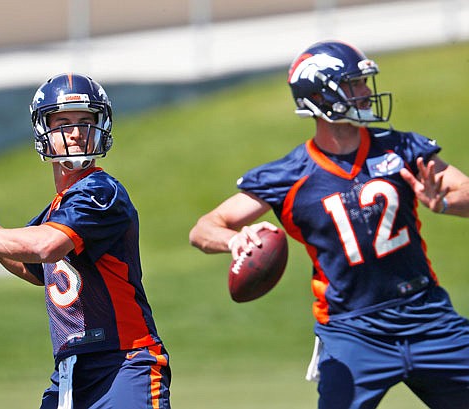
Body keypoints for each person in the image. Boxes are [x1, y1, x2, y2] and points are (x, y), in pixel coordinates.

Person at [189, 40, 469, 409]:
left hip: (426, 315)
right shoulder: (287, 176)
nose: (367, 93)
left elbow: (463, 189)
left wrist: (445, 201)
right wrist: (234, 240)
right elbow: (204, 228)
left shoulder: (399, 149)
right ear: (320, 95)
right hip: (353, 331)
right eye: (355, 84)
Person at [0, 73, 171, 409]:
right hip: (71, 368)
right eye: (63, 122)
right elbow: (33, 267)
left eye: (85, 120)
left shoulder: (101, 191)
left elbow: (44, 247)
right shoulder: (57, 208)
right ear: (43, 131)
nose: (76, 131)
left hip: (123, 361)